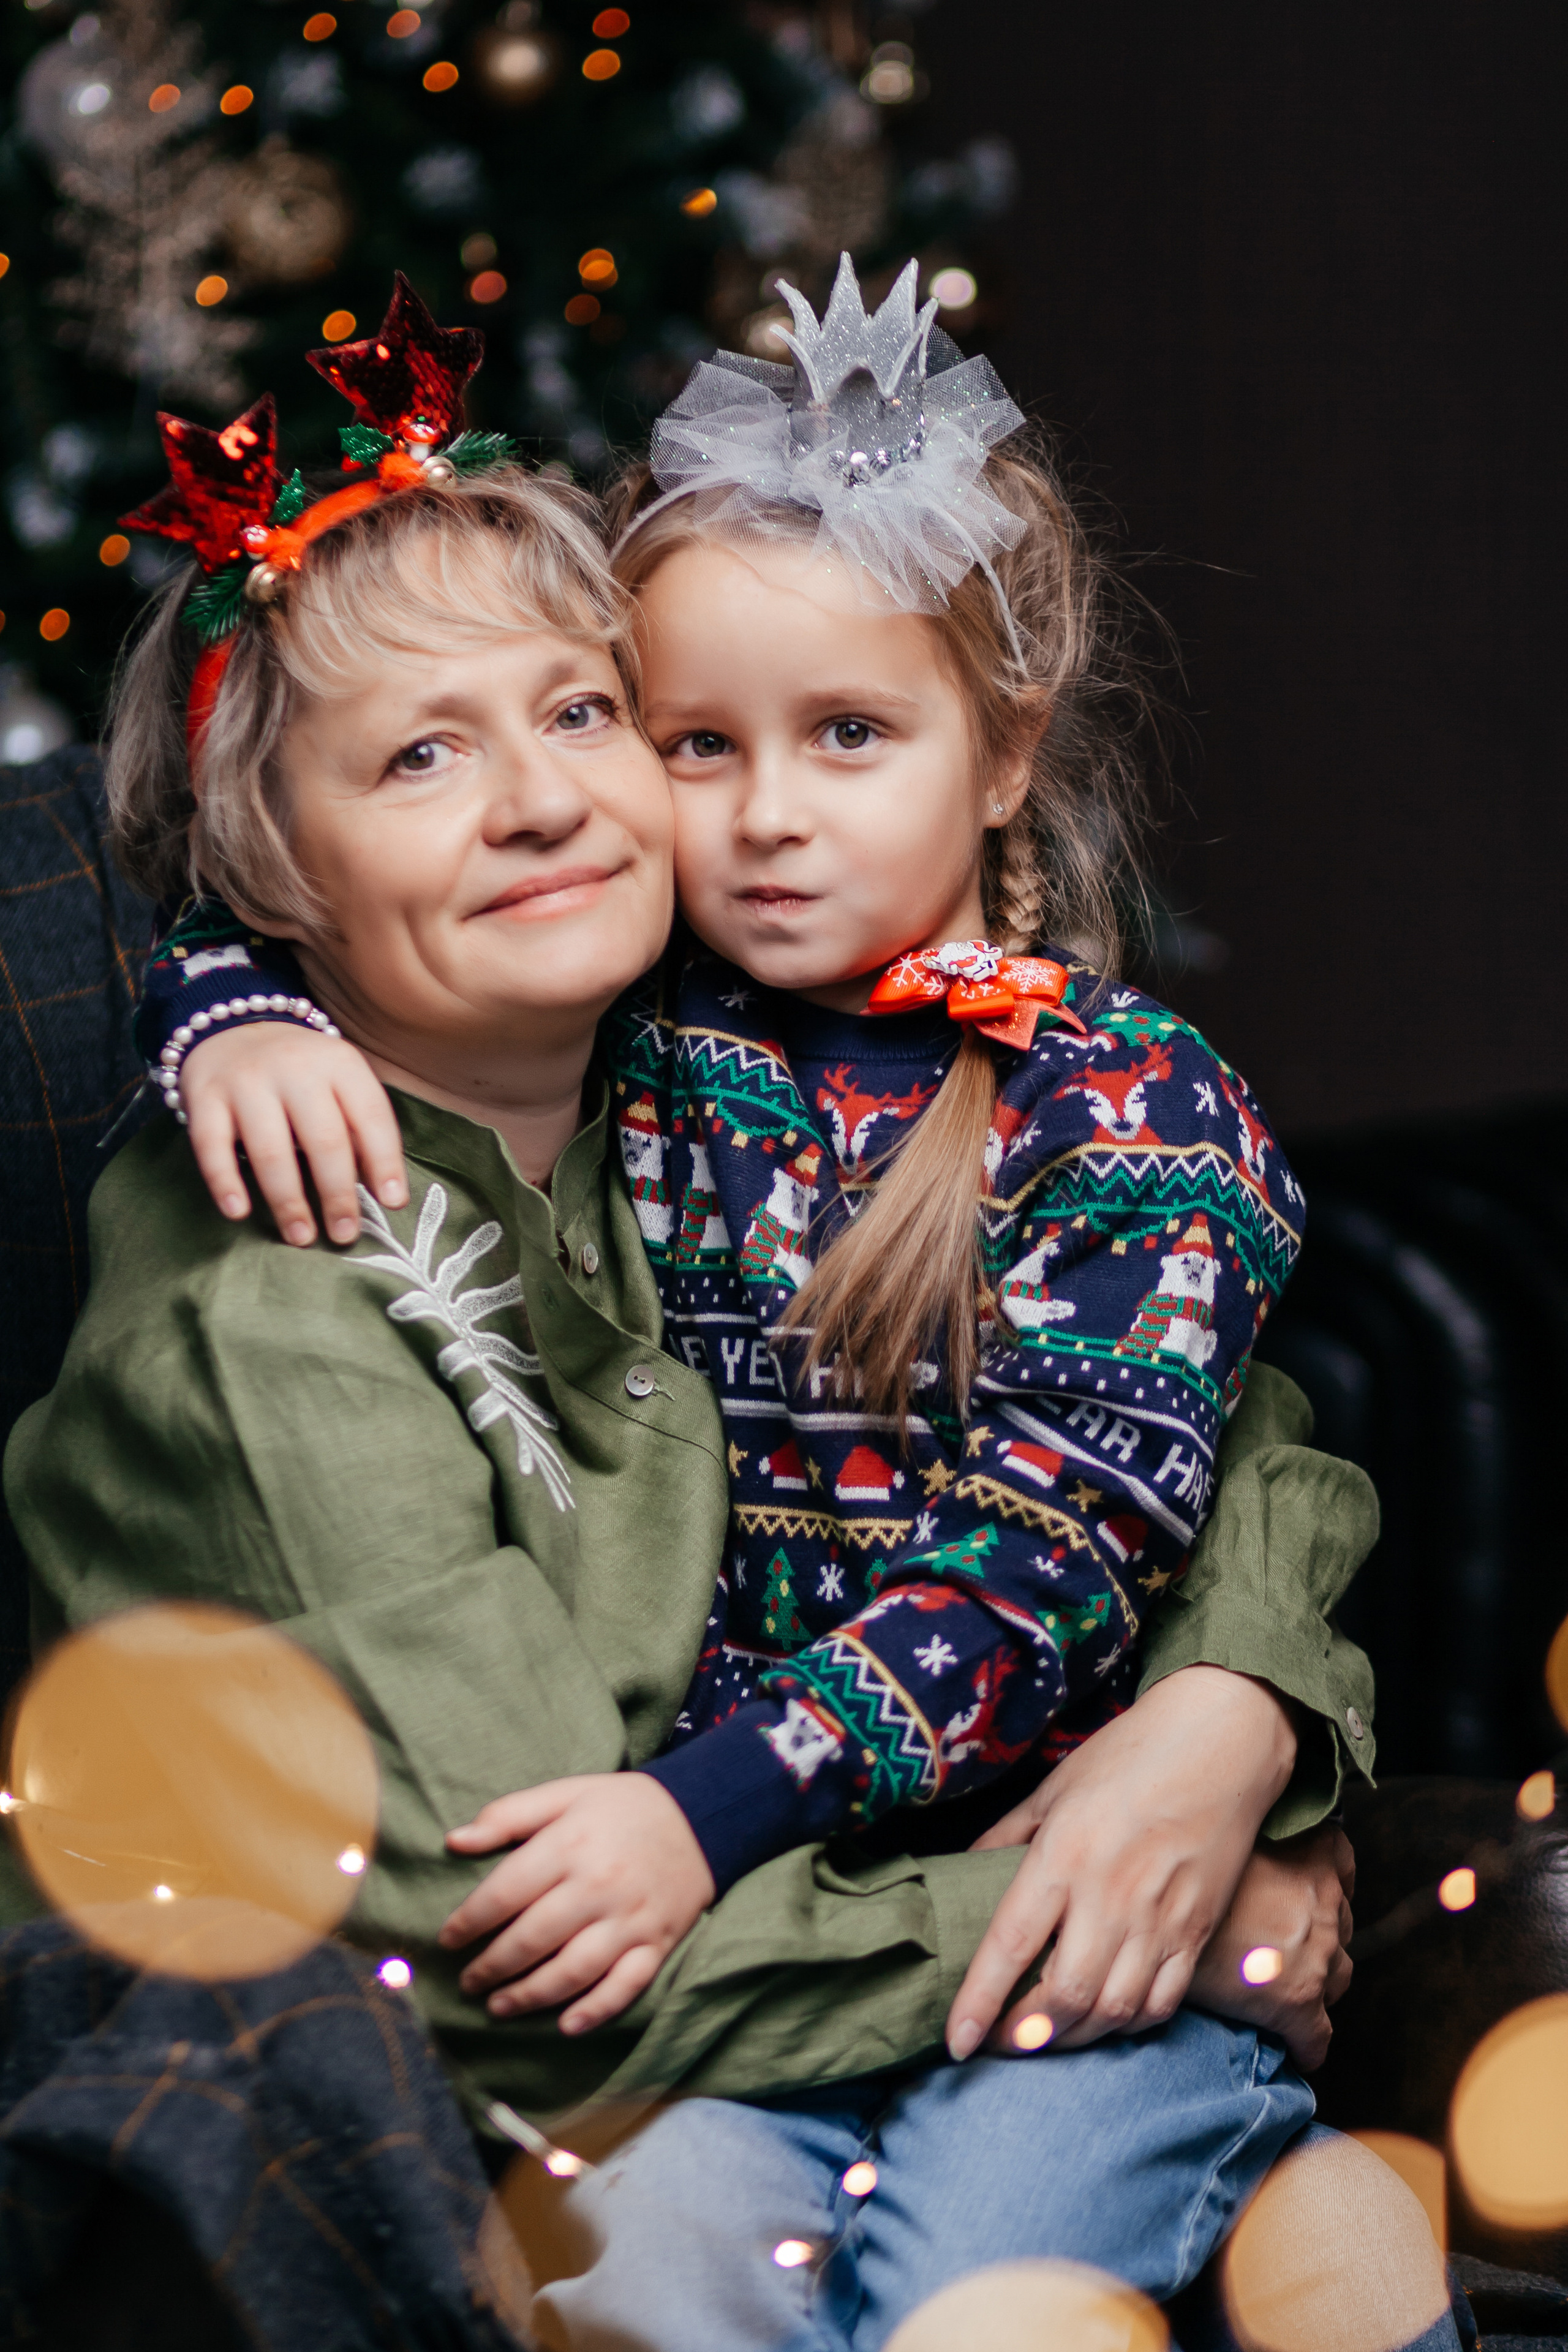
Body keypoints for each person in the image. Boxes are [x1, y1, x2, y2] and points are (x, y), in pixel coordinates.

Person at [75, 276, 1394, 2348]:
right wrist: (219, 1000)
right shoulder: (525, 1122)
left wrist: (1239, 1720)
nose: (744, 812)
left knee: (977, 2279)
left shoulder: (1023, 1086)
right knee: (653, 2255)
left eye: (586, 718)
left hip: (974, 1924)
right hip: (739, 1989)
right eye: (702, 738)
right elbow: (251, 836)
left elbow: (1192, 1449)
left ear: (1002, 752)